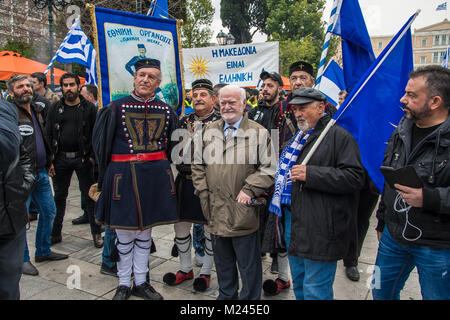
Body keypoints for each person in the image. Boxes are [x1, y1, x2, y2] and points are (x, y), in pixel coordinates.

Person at [93, 58, 179, 300]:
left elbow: (175, 146)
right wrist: (102, 180)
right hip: (122, 176)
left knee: (145, 233)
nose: (145, 79)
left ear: (158, 82)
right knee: (124, 233)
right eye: (141, 74)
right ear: (134, 77)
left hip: (154, 177)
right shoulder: (114, 108)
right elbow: (101, 148)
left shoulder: (167, 110)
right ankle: (123, 283)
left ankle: (141, 282)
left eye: (151, 76)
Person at [272, 87, 365, 300]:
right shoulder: (299, 136)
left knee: (316, 290)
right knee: (301, 286)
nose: (297, 114)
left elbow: (355, 177)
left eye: (303, 108)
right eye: (295, 109)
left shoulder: (338, 135)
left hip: (321, 226)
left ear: (321, 107)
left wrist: (311, 174)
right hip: (294, 221)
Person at [372, 66, 450, 300]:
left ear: (435, 101)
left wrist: (428, 198)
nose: (402, 99)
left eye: (411, 95)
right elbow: (390, 180)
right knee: (379, 292)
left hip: (437, 245)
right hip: (393, 238)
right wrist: (382, 220)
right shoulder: (401, 131)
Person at [191, 84, 275, 300]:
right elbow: (197, 165)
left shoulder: (259, 132)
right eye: (223, 102)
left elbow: (269, 168)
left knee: (249, 267)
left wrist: (249, 189)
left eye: (232, 102)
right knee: (223, 263)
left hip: (242, 210)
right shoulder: (208, 131)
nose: (227, 106)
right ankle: (227, 298)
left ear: (243, 104)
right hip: (215, 208)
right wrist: (203, 192)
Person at [7, 75, 68, 276]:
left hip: (41, 172)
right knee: (20, 218)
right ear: (11, 91)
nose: (26, 89)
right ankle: (22, 259)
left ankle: (43, 251)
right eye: (20, 86)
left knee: (49, 212)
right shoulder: (8, 113)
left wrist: (49, 160)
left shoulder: (37, 109)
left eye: (28, 85)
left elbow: (41, 138)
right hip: (19, 176)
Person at [163, 78, 221, 292]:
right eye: (195, 95)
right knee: (180, 225)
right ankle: (185, 268)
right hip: (185, 180)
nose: (198, 98)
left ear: (213, 99)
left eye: (203, 95)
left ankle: (205, 272)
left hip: (210, 183)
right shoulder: (183, 120)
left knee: (209, 227)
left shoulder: (222, 121)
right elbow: (172, 148)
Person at [248, 71, 297, 296]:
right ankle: (254, 274)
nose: (265, 89)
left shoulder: (288, 111)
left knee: (281, 230)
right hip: (256, 177)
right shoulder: (254, 112)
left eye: (270, 85)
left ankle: (284, 277)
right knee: (255, 229)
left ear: (279, 87)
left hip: (281, 179)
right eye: (263, 85)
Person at [45, 73, 103, 248]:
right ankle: (55, 233)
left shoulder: (89, 109)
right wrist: (50, 160)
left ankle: (96, 233)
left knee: (90, 196)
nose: (68, 88)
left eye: (72, 85)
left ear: (79, 86)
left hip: (83, 158)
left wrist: (93, 156)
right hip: (61, 158)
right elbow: (48, 133)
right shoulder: (55, 108)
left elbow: (96, 133)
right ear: (61, 87)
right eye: (65, 85)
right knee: (59, 197)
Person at [0, 99, 34, 299]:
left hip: (10, 213)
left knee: (8, 285)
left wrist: (25, 183)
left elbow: (16, 150)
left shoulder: (4, 108)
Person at [72, 84, 99, 226]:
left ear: (90, 96)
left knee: (95, 186)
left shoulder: (99, 110)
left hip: (95, 156)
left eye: (82, 95)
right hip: (82, 155)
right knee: (85, 187)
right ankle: (87, 213)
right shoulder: (80, 109)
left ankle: (96, 214)